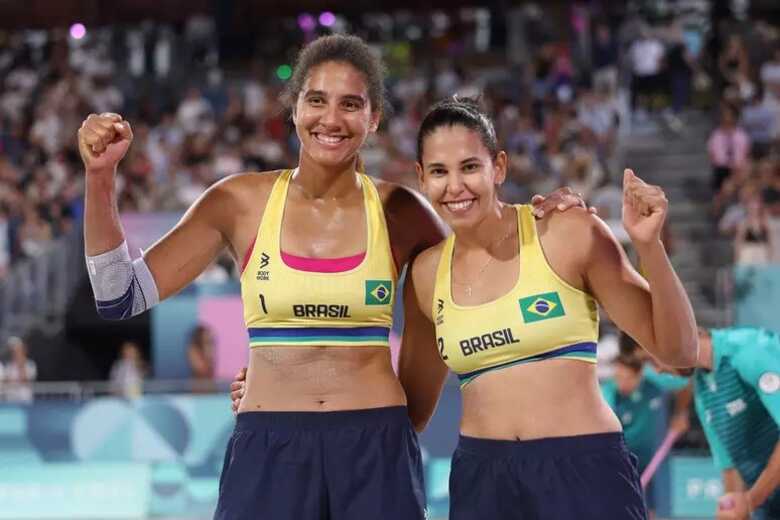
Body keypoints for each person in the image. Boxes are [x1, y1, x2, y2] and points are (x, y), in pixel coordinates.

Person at [79, 34, 586, 520]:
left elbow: (474, 263)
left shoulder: (400, 211)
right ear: (294, 108)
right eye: (316, 100)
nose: (331, 119)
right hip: (269, 449)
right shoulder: (239, 202)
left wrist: (541, 221)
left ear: (374, 117)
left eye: (351, 104)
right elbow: (117, 293)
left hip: (375, 448)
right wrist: (100, 178)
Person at [399, 98, 697, 519]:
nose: (455, 186)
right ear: (421, 177)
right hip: (482, 481)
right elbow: (409, 411)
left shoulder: (566, 231)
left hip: (584, 471)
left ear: (498, 167)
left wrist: (650, 246)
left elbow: (679, 352)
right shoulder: (426, 275)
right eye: (439, 172)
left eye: (470, 167)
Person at [681, 327, 780, 520]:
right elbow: (730, 467)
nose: (658, 370)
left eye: (652, 359)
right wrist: (734, 509)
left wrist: (751, 501)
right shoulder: (702, 389)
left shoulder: (748, 352)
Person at [602, 350, 692, 518]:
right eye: (617, 377)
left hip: (653, 460)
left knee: (650, 511)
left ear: (639, 375)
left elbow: (685, 384)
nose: (621, 383)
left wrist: (680, 414)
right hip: (621, 462)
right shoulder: (608, 393)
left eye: (626, 378)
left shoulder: (655, 380)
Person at [3, 336, 37, 403]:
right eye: (12, 350)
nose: (14, 352)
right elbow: (6, 381)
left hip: (25, 399)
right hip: (10, 399)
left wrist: (21, 364)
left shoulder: (30, 365)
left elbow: (25, 379)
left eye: (17, 349)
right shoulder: (8, 365)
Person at [187, 323, 216, 392]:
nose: (211, 348)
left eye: (212, 342)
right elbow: (201, 369)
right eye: (207, 342)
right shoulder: (192, 350)